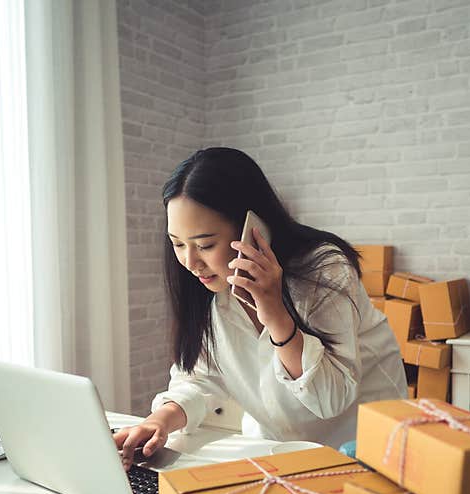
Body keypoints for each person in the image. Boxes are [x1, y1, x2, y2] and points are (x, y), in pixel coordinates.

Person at [114, 147, 407, 469]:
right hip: (277, 451)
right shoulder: (211, 288)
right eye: (178, 244)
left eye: (205, 244)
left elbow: (330, 400)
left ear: (253, 229)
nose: (190, 262)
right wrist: (159, 421)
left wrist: (274, 312)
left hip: (360, 447)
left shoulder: (325, 269)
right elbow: (197, 379)